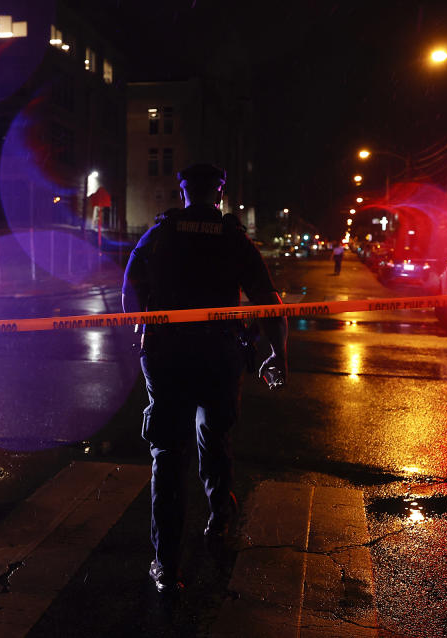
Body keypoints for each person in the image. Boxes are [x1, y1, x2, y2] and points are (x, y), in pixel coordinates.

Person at [122, 163, 288, 593]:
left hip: (168, 357)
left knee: (168, 457)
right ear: (219, 194)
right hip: (219, 357)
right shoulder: (232, 237)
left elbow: (129, 286)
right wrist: (278, 354)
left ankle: (167, 565)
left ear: (182, 193)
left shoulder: (161, 233)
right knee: (214, 438)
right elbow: (268, 300)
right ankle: (219, 518)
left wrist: (139, 330)